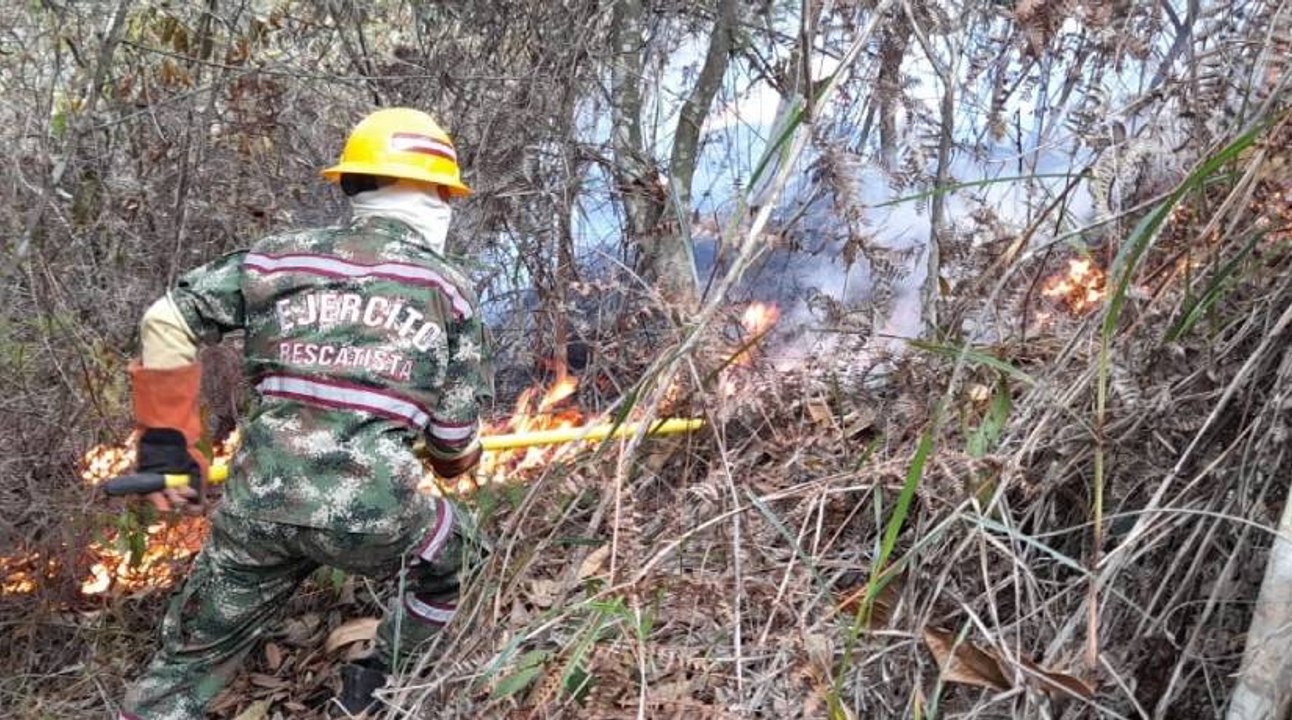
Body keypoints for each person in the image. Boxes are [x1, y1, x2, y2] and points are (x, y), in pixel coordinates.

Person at [117, 107, 493, 720]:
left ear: (354, 186)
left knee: (186, 667)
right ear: (436, 195)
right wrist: (455, 456)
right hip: (376, 518)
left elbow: (166, 319)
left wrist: (167, 446)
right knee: (459, 560)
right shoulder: (446, 288)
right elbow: (452, 446)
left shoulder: (275, 260)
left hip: (257, 509)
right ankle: (381, 683)